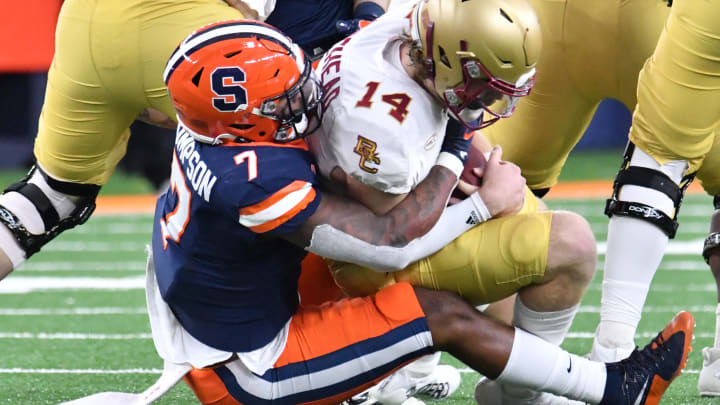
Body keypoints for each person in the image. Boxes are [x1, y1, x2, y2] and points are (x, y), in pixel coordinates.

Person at [140, 19, 691, 405]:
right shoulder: (256, 179)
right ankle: (613, 387)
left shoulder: (212, 133)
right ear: (237, 122)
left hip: (223, 315)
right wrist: (473, 192)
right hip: (250, 372)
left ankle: (519, 390)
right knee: (435, 314)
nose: (299, 99)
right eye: (279, 102)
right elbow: (388, 241)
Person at [458, 0, 720, 401]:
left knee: (482, 172)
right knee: (662, 154)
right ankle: (612, 349)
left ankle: (430, 366)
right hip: (660, 25)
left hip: (550, 25)